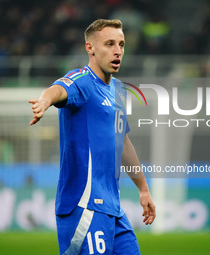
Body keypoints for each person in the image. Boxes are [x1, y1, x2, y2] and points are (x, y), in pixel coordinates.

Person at [29, 19, 156, 255]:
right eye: (109, 44)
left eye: (121, 44)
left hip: (113, 208)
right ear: (90, 48)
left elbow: (123, 142)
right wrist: (46, 100)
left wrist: (143, 189)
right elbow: (59, 89)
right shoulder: (83, 81)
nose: (117, 51)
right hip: (85, 206)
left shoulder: (118, 90)